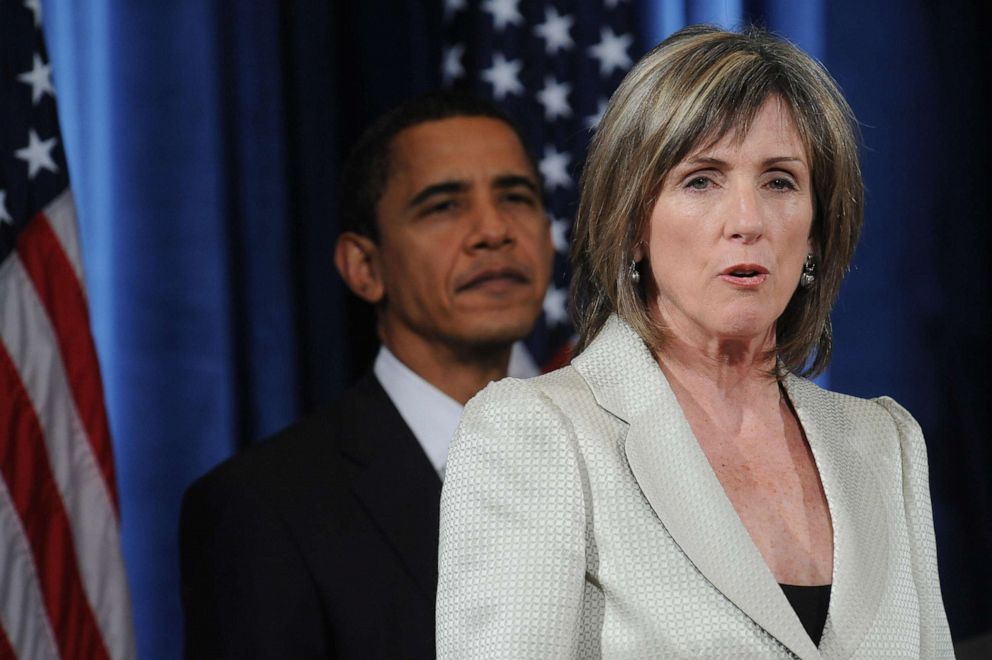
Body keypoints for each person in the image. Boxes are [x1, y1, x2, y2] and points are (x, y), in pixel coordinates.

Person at [436, 25, 953, 659]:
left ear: (817, 232)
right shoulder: (539, 435)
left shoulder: (885, 447)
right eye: (701, 180)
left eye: (780, 181)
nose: (747, 221)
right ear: (630, 226)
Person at [179, 91, 553, 658]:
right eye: (443, 206)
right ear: (365, 267)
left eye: (517, 197)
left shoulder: (620, 459)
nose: (494, 230)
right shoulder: (264, 507)